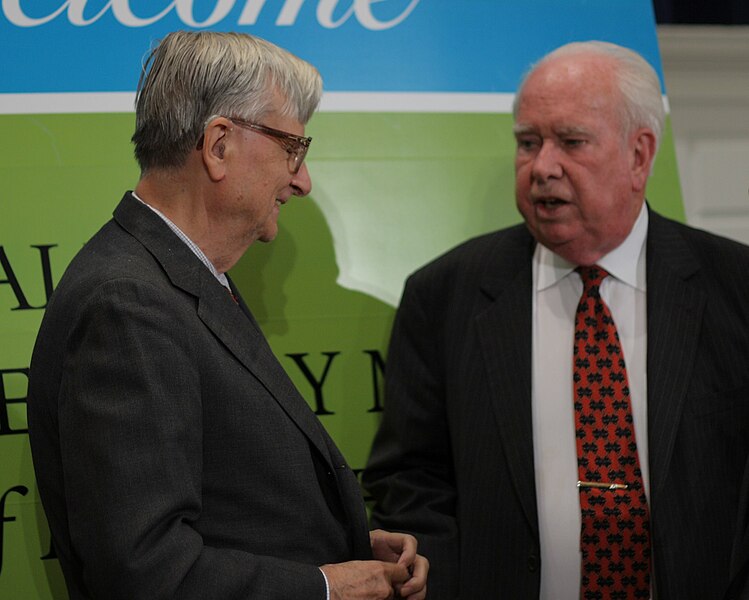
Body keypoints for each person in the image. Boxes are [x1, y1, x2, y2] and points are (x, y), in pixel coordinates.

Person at [27, 30, 427, 600]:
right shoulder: (129, 303)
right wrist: (325, 587)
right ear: (218, 145)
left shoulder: (177, 278)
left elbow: (233, 504)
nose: (303, 180)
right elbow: (144, 572)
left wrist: (347, 547)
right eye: (294, 148)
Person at [363, 40, 749, 599]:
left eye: (571, 142)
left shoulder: (735, 287)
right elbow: (411, 476)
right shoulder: (444, 295)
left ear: (640, 155)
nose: (542, 167)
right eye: (528, 143)